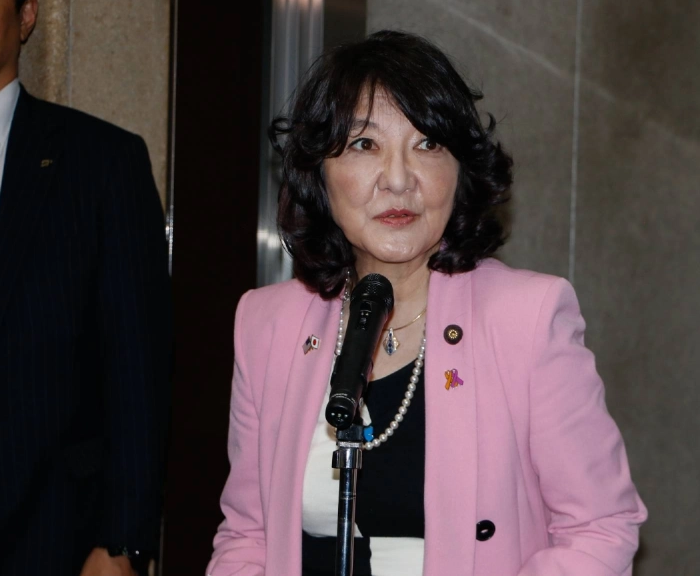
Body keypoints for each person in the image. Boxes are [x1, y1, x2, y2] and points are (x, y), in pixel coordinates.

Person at [208, 29, 646, 576]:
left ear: (460, 171)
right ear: (319, 172)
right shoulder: (265, 323)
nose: (397, 180)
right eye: (364, 145)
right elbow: (247, 535)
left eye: (427, 145)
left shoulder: (527, 318)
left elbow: (599, 529)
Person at [0, 0, 172, 575]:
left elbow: (137, 372)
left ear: (25, 14)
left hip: (47, 538)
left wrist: (123, 540)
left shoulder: (101, 165)